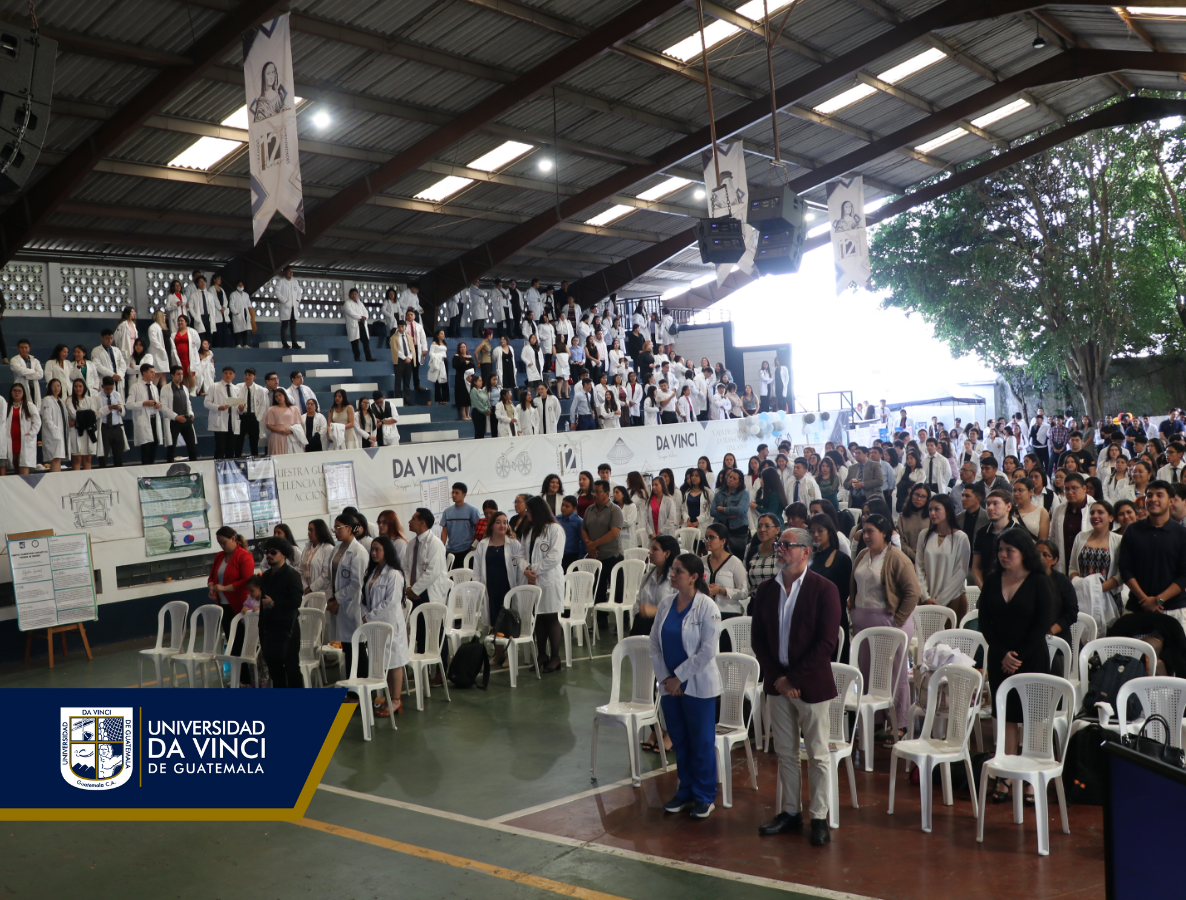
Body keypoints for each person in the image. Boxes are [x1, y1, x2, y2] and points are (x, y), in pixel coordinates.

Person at [751, 528, 841, 845]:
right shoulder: (766, 590)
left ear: (805, 551)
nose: (779, 550)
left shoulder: (824, 589)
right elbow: (758, 639)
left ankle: (819, 816)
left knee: (817, 754)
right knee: (785, 753)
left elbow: (826, 643)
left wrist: (795, 678)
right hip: (778, 685)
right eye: (778, 545)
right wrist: (779, 677)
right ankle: (790, 811)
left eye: (786, 545)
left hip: (811, 685)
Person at [977, 529, 1055, 803]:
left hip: (1031, 657)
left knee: (1033, 718)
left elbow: (1043, 623)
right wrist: (1002, 654)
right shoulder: (992, 580)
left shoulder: (1037, 581)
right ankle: (1007, 775)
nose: (1003, 554)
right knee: (1007, 717)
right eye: (1000, 550)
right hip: (1000, 658)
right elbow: (985, 622)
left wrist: (1018, 655)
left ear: (1024, 553)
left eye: (1010, 550)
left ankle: (1032, 778)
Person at [649, 552, 721, 820]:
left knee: (701, 742)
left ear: (693, 577)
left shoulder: (707, 608)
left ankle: (705, 795)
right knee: (679, 739)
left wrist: (680, 677)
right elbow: (654, 644)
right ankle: (686, 789)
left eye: (678, 571)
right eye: (673, 570)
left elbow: (707, 651)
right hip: (670, 687)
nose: (672, 575)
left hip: (698, 687)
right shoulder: (667, 604)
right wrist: (667, 678)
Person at [848, 512, 919, 744]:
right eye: (864, 531)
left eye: (871, 532)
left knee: (894, 674)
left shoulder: (896, 557)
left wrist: (897, 622)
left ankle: (900, 723)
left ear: (885, 533)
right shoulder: (862, 555)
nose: (866, 536)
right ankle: (876, 720)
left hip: (890, 622)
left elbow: (912, 592)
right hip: (863, 622)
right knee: (869, 672)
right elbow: (856, 586)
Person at [1119, 480, 1186, 620]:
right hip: (1137, 606)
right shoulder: (1132, 530)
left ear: (1171, 501)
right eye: (1149, 495)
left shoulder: (1181, 533)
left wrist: (1158, 600)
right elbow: (1125, 569)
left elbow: (1184, 576)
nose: (1153, 499)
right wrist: (1145, 600)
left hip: (1174, 609)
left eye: (1159, 495)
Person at [361, 537, 408, 716]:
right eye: (372, 549)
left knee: (394, 661)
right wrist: (365, 613)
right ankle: (388, 698)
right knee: (383, 661)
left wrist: (370, 616)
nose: (374, 553)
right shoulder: (373, 572)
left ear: (386, 551)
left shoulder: (394, 574)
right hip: (375, 625)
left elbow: (391, 601)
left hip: (390, 624)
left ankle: (396, 700)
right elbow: (365, 597)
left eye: (377, 549)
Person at [519, 496, 566, 673]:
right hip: (533, 579)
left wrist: (534, 570)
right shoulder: (529, 530)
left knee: (551, 617)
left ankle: (555, 657)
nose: (527, 514)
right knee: (538, 617)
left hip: (549, 580)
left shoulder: (555, 529)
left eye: (529, 511)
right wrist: (526, 569)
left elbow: (555, 557)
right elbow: (521, 554)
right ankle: (541, 655)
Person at [405, 509, 451, 683]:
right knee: (419, 631)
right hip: (414, 592)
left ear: (422, 523)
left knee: (436, 631)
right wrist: (409, 588)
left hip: (429, 593)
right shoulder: (412, 544)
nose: (410, 522)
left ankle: (441, 671)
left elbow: (433, 572)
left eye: (413, 519)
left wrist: (414, 590)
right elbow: (406, 567)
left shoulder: (435, 544)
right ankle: (423, 668)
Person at [325, 514, 370, 680]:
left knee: (356, 647)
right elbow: (331, 577)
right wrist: (331, 599)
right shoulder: (337, 549)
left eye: (338, 527)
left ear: (349, 529)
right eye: (334, 528)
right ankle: (352, 686)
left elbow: (356, 583)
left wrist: (338, 600)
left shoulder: (359, 552)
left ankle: (361, 688)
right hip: (339, 604)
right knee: (347, 647)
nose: (335, 531)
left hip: (352, 605)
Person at [915, 494, 972, 622]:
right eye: (930, 510)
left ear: (948, 510)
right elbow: (919, 566)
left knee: (948, 638)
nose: (932, 513)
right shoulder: (924, 535)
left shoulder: (960, 538)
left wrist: (940, 601)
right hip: (926, 596)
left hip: (952, 597)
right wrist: (925, 595)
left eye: (937, 509)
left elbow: (961, 572)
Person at [256, 536, 305, 688]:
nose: (269, 555)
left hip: (287, 628)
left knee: (291, 668)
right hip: (269, 628)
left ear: (283, 554)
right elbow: (263, 604)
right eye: (267, 552)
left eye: (273, 552)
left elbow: (296, 601)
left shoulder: (292, 575)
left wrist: (273, 603)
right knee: (274, 669)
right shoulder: (266, 577)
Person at [473, 511, 524, 643]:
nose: (503, 525)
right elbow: (477, 570)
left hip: (507, 587)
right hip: (490, 588)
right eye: (498, 522)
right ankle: (499, 653)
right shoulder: (482, 545)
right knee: (494, 622)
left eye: (505, 522)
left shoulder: (514, 544)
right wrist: (480, 589)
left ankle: (508, 654)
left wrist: (517, 589)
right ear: (491, 525)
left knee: (508, 620)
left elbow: (519, 569)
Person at [808, 514, 852, 662]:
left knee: (836, 661)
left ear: (830, 532)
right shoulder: (808, 558)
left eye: (820, 530)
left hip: (834, 614)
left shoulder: (841, 559)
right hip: (811, 615)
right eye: (812, 531)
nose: (815, 535)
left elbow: (846, 591)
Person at [582, 479, 625, 609]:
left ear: (606, 493)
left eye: (598, 492)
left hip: (612, 557)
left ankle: (621, 623)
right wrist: (589, 545)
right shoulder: (589, 509)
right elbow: (583, 528)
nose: (594, 494)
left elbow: (614, 533)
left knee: (617, 592)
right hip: (595, 557)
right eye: (593, 491)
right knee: (597, 593)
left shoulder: (614, 510)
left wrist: (594, 544)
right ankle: (601, 622)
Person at [207, 527, 255, 644]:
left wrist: (224, 588)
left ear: (233, 539)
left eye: (224, 542)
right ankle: (235, 662)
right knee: (231, 640)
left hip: (240, 604)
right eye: (219, 543)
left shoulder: (244, 556)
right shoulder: (219, 556)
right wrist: (212, 587)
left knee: (241, 640)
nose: (222, 546)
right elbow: (212, 576)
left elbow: (246, 581)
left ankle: (245, 663)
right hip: (223, 604)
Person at [703, 523, 749, 626]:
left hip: (729, 612)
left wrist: (721, 590)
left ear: (723, 541)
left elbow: (744, 592)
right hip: (706, 611)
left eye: (711, 537)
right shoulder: (702, 562)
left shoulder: (735, 563)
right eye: (706, 538)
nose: (707, 541)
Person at [971, 489, 1017, 587]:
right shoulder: (982, 532)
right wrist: (984, 590)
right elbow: (976, 567)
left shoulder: (1019, 532)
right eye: (988, 504)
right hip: (987, 588)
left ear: (1008, 506)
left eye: (995, 504)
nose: (990, 508)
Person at [1050, 472, 1091, 574]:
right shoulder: (1059, 509)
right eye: (1067, 489)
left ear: (1084, 489)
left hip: (1087, 561)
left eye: (1074, 488)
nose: (1070, 492)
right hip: (1064, 560)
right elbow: (1053, 537)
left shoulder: (1095, 508)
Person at [440, 482, 481, 568]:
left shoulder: (472, 510)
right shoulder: (447, 512)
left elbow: (480, 530)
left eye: (457, 493)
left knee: (468, 578)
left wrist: (475, 545)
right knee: (452, 578)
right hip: (451, 551)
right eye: (453, 492)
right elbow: (444, 531)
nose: (454, 495)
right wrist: (441, 548)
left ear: (464, 494)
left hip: (467, 551)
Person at [713, 468, 751, 557]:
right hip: (721, 527)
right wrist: (727, 516)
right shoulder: (719, 493)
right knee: (721, 555)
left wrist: (722, 509)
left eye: (734, 479)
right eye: (730, 477)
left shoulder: (744, 494)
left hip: (738, 529)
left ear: (740, 482)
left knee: (737, 556)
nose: (731, 480)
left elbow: (739, 510)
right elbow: (712, 511)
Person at [39, 378, 69, 472]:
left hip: (61, 433)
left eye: (58, 386)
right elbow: (47, 419)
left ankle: (57, 481)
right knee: (55, 458)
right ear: (50, 388)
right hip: (53, 435)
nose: (56, 388)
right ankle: (55, 481)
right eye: (54, 386)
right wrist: (55, 432)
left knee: (58, 459)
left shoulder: (60, 401)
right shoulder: (47, 400)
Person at [299, 519, 335, 595]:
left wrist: (312, 588)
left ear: (320, 531)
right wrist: (306, 588)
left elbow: (326, 574)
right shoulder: (307, 548)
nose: (309, 533)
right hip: (307, 591)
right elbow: (301, 570)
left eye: (311, 530)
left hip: (322, 591)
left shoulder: (328, 548)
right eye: (308, 530)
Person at [897, 484, 931, 563]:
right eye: (916, 495)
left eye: (923, 496)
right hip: (906, 558)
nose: (919, 499)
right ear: (911, 495)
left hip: (927, 558)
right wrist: (913, 555)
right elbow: (900, 540)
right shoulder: (903, 516)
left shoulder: (931, 516)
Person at [264, 388, 300, 456]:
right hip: (277, 436)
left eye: (280, 395)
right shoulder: (272, 409)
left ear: (284, 395)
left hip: (291, 435)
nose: (278, 398)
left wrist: (291, 431)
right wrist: (281, 431)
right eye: (276, 396)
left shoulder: (294, 408)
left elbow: (298, 423)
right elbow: (268, 425)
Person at [275, 266, 302, 349]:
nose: (291, 273)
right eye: (289, 271)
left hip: (294, 306)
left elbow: (299, 293)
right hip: (286, 306)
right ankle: (284, 343)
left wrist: (297, 301)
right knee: (285, 325)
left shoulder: (295, 282)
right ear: (285, 272)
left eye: (292, 271)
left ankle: (294, 343)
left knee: (293, 325)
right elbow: (277, 293)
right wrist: (285, 301)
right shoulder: (281, 282)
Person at [453, 343, 474, 421]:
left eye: (464, 347)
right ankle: (463, 415)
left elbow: (473, 367)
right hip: (460, 378)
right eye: (461, 347)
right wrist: (464, 363)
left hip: (469, 378)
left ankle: (468, 414)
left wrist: (471, 376)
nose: (463, 348)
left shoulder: (470, 357)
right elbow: (455, 365)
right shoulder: (457, 357)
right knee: (462, 396)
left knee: (468, 396)